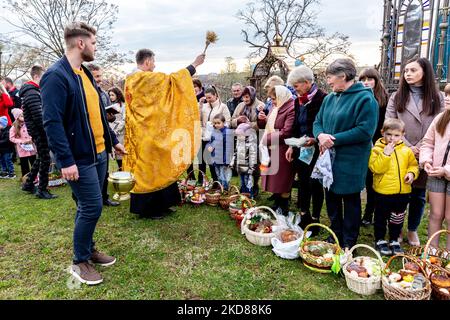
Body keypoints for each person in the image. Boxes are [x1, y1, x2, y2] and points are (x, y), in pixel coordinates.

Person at [41, 22, 126, 285]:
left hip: (100, 153)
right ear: (81, 43)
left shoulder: (85, 73)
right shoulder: (56, 75)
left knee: (86, 205)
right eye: (94, 43)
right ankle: (79, 261)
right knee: (92, 206)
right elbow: (51, 122)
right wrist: (65, 160)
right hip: (79, 158)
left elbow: (98, 114)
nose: (95, 47)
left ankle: (88, 249)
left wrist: (112, 140)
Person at [124, 48, 205, 219]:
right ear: (146, 62)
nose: (155, 65)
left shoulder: (130, 79)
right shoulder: (143, 78)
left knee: (161, 165)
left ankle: (163, 204)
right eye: (153, 62)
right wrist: (195, 64)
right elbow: (173, 81)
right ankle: (148, 210)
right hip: (147, 134)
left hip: (145, 131)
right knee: (150, 171)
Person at [313, 58, 378, 250]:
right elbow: (317, 121)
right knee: (330, 196)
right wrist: (320, 135)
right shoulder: (329, 98)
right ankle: (336, 233)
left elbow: (365, 130)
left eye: (330, 77)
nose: (328, 81)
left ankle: (349, 240)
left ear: (343, 76)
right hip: (328, 158)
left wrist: (333, 139)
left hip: (351, 159)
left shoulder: (365, 99)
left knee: (350, 199)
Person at [386, 57, 444, 246]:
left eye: (413, 70)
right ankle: (397, 229)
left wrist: (421, 146)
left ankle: (412, 230)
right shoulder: (397, 96)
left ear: (425, 72)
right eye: (406, 71)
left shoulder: (438, 97)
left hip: (426, 152)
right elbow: (389, 122)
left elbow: (441, 125)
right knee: (399, 192)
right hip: (400, 150)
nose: (408, 74)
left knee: (418, 195)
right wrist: (407, 145)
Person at [285, 66, 327, 231]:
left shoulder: (323, 99)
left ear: (307, 82)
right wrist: (291, 146)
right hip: (300, 148)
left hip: (316, 148)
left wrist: (315, 139)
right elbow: (296, 125)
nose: (295, 90)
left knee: (315, 183)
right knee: (303, 182)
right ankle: (304, 215)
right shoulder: (297, 101)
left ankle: (315, 219)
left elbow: (324, 123)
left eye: (296, 86)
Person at [369, 119, 419, 255]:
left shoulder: (406, 151)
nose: (392, 138)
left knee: (397, 216)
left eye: (397, 135)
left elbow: (413, 165)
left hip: (402, 191)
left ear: (403, 135)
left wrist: (411, 173)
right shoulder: (377, 149)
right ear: (382, 133)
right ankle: (379, 239)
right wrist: (385, 154)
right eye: (389, 134)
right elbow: (376, 168)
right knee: (381, 216)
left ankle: (394, 239)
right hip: (383, 191)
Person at [20, 65, 58, 199]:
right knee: (45, 159)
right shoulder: (31, 93)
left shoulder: (34, 91)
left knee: (41, 157)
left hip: (38, 131)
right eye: (43, 77)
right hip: (40, 131)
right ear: (36, 76)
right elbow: (39, 116)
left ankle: (29, 183)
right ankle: (42, 189)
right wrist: (49, 132)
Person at [420, 83, 450, 250]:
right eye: (446, 95)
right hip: (435, 175)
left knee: (449, 217)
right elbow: (428, 143)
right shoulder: (440, 118)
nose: (447, 98)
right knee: (436, 214)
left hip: (447, 174)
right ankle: (432, 253)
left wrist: (446, 170)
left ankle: (448, 254)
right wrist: (426, 161)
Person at [257, 85, 295, 215]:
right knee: (274, 176)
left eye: (274, 99)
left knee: (282, 179)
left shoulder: (291, 108)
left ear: (281, 96)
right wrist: (262, 120)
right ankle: (277, 203)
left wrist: (266, 139)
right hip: (272, 147)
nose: (272, 101)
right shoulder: (276, 106)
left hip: (282, 148)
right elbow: (269, 125)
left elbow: (286, 132)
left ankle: (284, 207)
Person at [86, 63, 119, 207]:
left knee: (104, 171)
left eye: (100, 75)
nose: (100, 79)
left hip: (104, 136)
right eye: (97, 76)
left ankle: (104, 197)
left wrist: (110, 116)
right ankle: (89, 200)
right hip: (90, 140)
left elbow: (105, 117)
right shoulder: (85, 92)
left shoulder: (102, 93)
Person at [359, 68, 389, 226]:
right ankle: (366, 211)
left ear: (376, 81)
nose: (366, 82)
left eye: (370, 79)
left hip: (378, 145)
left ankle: (370, 212)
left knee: (373, 181)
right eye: (363, 79)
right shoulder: (359, 97)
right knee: (364, 180)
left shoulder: (384, 98)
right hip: (362, 143)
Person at [231, 86, 265, 197]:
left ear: (252, 95)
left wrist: (248, 125)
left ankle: (254, 186)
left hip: (255, 139)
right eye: (243, 97)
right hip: (241, 140)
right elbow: (232, 120)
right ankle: (244, 186)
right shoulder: (240, 106)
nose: (245, 100)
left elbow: (262, 124)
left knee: (254, 164)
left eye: (247, 97)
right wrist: (238, 121)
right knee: (242, 163)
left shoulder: (260, 106)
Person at [199, 85, 231, 183]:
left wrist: (219, 131)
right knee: (201, 160)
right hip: (203, 136)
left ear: (215, 95)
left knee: (212, 160)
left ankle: (216, 181)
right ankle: (201, 181)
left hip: (216, 137)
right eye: (206, 98)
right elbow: (198, 119)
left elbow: (227, 121)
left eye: (210, 97)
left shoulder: (222, 106)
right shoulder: (204, 106)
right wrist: (200, 106)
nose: (208, 100)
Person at [206, 114, 234, 190]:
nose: (216, 125)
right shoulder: (214, 132)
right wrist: (209, 146)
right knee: (218, 174)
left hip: (223, 159)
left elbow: (228, 148)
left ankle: (225, 189)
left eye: (219, 123)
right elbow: (210, 141)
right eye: (215, 123)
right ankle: (221, 187)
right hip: (216, 158)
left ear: (224, 123)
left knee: (223, 175)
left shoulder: (226, 133)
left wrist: (226, 160)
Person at [231, 122, 258, 198]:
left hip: (248, 167)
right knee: (242, 182)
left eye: (240, 135)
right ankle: (243, 196)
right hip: (240, 166)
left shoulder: (251, 144)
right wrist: (232, 162)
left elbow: (253, 157)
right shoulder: (239, 141)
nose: (238, 137)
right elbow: (235, 152)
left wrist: (251, 169)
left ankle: (250, 197)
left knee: (248, 182)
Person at [9, 108, 36, 178]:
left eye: (24, 115)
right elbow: (11, 138)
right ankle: (26, 179)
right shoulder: (14, 127)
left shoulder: (28, 124)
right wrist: (21, 141)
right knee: (24, 165)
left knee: (34, 162)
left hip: (31, 147)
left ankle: (36, 177)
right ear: (17, 117)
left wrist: (31, 139)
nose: (23, 117)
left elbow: (33, 132)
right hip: (22, 149)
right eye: (21, 116)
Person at [107, 87, 126, 171]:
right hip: (112, 133)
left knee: (122, 154)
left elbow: (124, 120)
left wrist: (116, 130)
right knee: (116, 155)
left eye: (112, 95)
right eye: (109, 95)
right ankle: (120, 170)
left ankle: (124, 171)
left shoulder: (124, 106)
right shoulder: (110, 106)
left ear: (118, 95)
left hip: (121, 133)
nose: (111, 97)